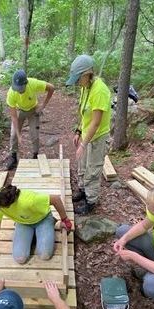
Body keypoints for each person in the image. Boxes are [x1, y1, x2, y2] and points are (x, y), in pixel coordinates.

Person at [0, 184, 72, 263]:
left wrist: (65, 219)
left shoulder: (27, 201)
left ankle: (51, 222)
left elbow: (56, 199)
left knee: (44, 255)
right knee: (20, 258)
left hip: (43, 219)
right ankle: (35, 235)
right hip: (24, 222)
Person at [66, 54, 111, 215]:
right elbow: (85, 113)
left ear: (87, 74)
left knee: (93, 169)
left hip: (97, 137)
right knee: (82, 166)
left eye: (79, 79)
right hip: (86, 134)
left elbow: (96, 122)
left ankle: (91, 202)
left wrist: (84, 144)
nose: (77, 83)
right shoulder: (86, 87)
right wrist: (78, 131)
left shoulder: (99, 90)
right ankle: (83, 193)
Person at [6, 69, 55, 170]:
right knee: (14, 134)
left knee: (34, 134)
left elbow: (51, 88)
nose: (19, 91)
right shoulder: (11, 93)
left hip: (33, 109)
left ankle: (35, 155)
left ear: (26, 83)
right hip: (20, 110)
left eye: (21, 88)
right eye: (17, 88)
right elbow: (14, 117)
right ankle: (13, 156)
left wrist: (43, 106)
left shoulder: (33, 83)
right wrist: (19, 135)